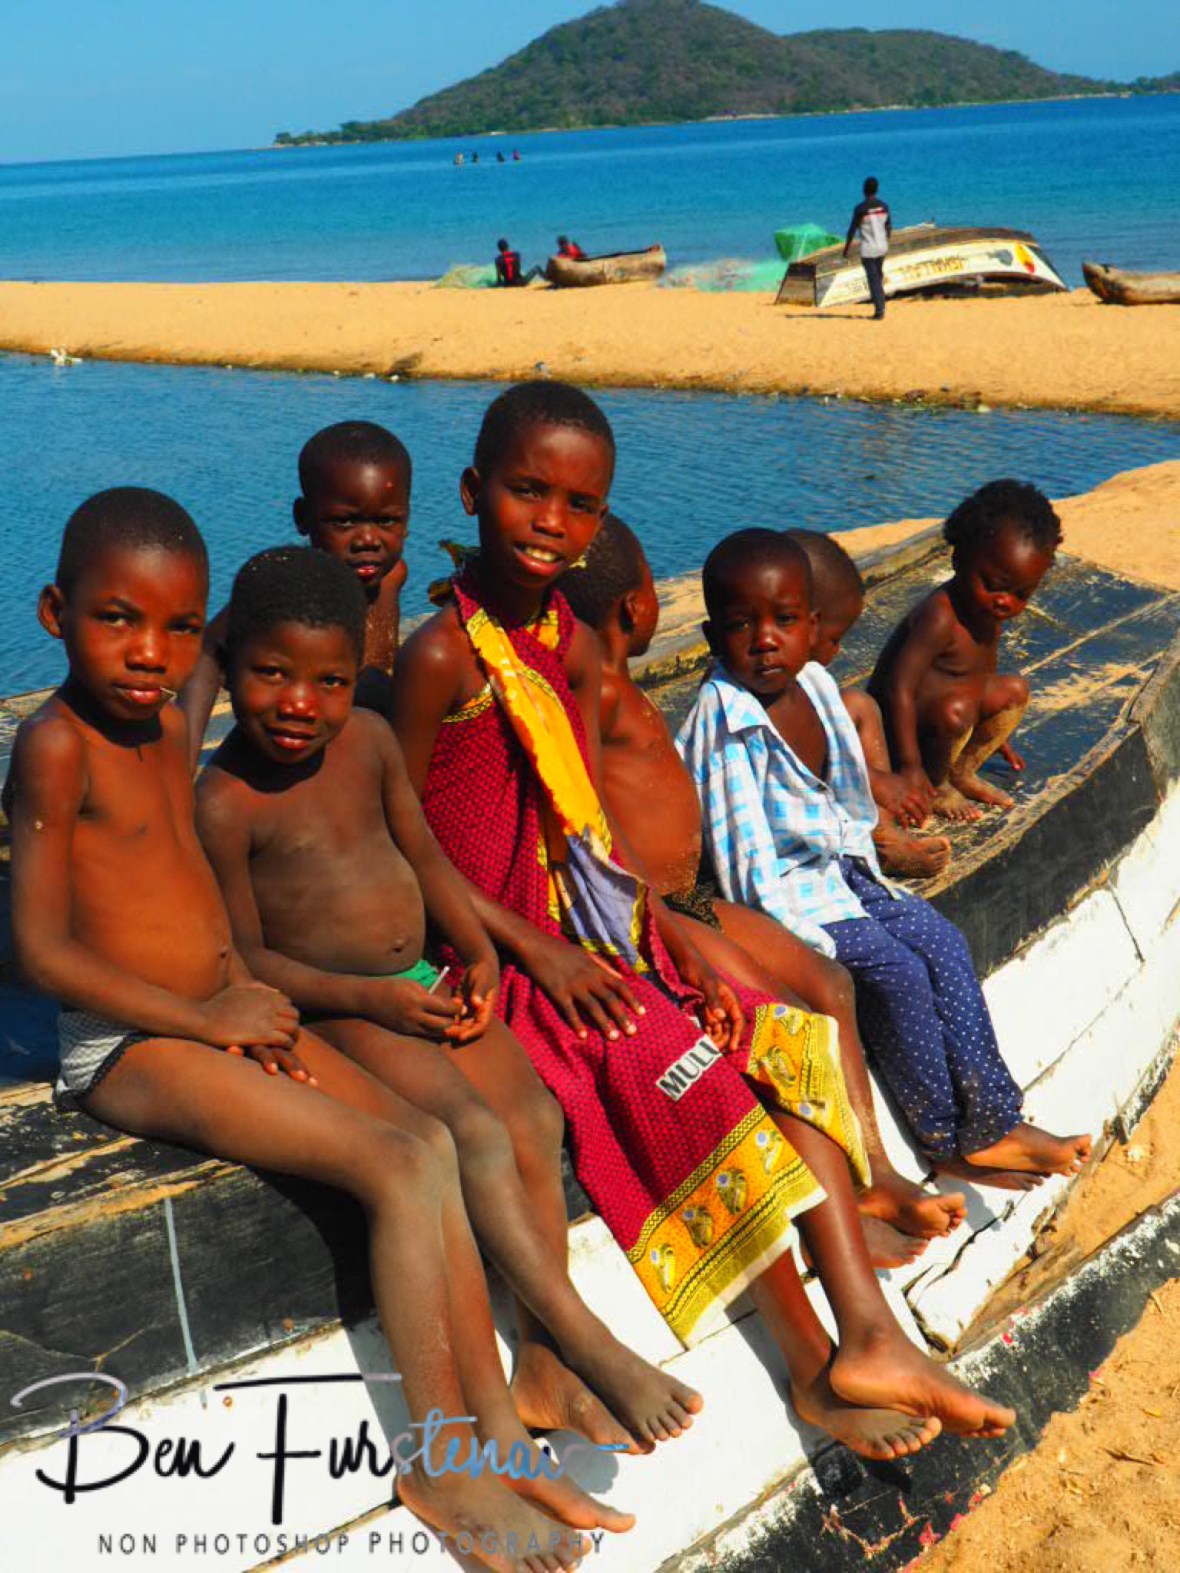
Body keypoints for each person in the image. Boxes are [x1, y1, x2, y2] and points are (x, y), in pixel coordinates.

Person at [392, 380, 1018, 1457]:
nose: (551, 522)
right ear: (473, 490)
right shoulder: (444, 655)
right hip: (497, 947)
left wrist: (667, 934)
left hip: (591, 930)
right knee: (691, 1076)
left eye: (578, 505)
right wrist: (536, 948)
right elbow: (396, 828)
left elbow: (583, 829)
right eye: (526, 492)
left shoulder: (568, 643)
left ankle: (865, 1332)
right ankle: (813, 1368)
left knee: (775, 1025)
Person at [4, 487, 608, 1573]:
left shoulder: (167, 721)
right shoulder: (58, 746)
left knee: (431, 1146)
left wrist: (235, 1001)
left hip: (227, 1011)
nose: (149, 651)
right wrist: (204, 1012)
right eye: (115, 619)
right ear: (54, 613)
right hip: (132, 1045)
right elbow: (41, 952)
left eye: (177, 628)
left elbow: (262, 632)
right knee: (390, 1164)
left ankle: (498, 1427)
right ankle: (437, 1459)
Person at [196, 544, 699, 1454]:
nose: (301, 704)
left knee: (534, 1119)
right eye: (270, 674)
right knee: (469, 1130)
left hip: (427, 976)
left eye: (330, 680)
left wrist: (474, 950)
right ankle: (584, 1335)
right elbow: (250, 956)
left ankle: (543, 1365)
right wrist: (372, 1000)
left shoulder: (372, 743)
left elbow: (425, 856)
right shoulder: (227, 801)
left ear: (357, 676)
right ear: (227, 669)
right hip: (344, 1006)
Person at [560, 512, 965, 1259]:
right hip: (656, 913)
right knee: (778, 1018)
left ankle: (873, 1167)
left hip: (689, 898)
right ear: (639, 605)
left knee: (831, 986)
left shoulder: (619, 685)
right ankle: (830, 1217)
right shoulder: (601, 694)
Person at [677, 527, 1092, 1191]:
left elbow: (842, 801)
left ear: (811, 626)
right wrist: (809, 944)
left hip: (839, 873)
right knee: (898, 972)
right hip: (790, 901)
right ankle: (943, 1140)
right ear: (710, 636)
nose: (764, 639)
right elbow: (747, 866)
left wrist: (871, 866)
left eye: (784, 621)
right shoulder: (723, 722)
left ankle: (991, 1122)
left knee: (945, 942)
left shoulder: (814, 687)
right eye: (740, 624)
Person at [180, 419, 412, 766]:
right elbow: (208, 650)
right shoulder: (290, 587)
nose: (368, 540)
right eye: (345, 522)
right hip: (287, 752)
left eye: (387, 521)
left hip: (354, 755)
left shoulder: (392, 575)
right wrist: (183, 757)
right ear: (304, 517)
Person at [867, 480, 1062, 824]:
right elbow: (896, 689)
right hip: (903, 730)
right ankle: (935, 784)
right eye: (993, 585)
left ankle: (962, 770)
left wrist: (991, 734)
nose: (1005, 602)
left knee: (1015, 690)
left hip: (951, 715)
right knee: (956, 711)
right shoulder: (941, 616)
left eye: (1021, 595)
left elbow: (981, 674)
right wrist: (909, 766)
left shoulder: (986, 611)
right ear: (959, 558)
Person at [784, 529, 952, 879]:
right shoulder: (762, 681)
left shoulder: (803, 673)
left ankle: (884, 827)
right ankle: (883, 844)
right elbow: (790, 751)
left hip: (826, 784)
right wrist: (873, 779)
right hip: (788, 812)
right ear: (806, 622)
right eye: (834, 638)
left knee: (860, 704)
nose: (838, 651)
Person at [843, 177, 891, 320]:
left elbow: (852, 230)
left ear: (864, 190)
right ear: (876, 190)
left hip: (868, 249)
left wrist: (846, 249)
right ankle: (881, 306)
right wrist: (885, 240)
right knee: (879, 276)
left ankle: (879, 310)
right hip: (882, 247)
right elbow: (888, 227)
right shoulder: (884, 206)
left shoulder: (860, 209)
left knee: (873, 279)